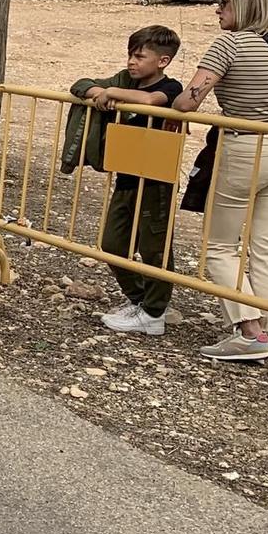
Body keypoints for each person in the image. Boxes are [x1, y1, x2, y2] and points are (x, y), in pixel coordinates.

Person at [173, 0, 268, 363]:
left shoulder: (230, 45)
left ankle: (249, 332)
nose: (218, 9)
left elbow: (189, 101)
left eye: (225, 1)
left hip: (246, 150)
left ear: (248, 2)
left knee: (220, 246)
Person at [76, 26, 183, 337]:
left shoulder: (171, 87)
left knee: (154, 246)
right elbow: (81, 84)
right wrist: (99, 92)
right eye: (130, 56)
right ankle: (140, 300)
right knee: (112, 244)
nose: (132, 62)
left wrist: (112, 94)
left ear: (163, 61)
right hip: (126, 173)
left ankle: (154, 312)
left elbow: (152, 101)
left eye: (140, 56)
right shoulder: (125, 80)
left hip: (155, 177)